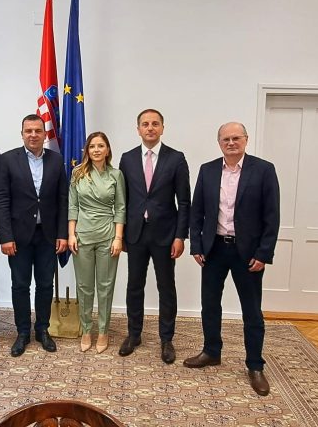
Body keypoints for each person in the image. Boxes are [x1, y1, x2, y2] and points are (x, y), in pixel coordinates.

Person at [184, 122, 280, 396]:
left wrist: (263, 253)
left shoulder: (263, 170)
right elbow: (197, 212)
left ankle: (255, 365)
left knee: (252, 311)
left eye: (236, 138)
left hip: (247, 253)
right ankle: (211, 351)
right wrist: (196, 245)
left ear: (245, 140)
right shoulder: (208, 170)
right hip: (214, 249)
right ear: (219, 143)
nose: (231, 143)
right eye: (225, 139)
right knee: (209, 305)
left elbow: (272, 216)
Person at [118, 109, 191, 363]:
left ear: (162, 128)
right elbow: (122, 200)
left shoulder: (176, 158)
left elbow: (184, 201)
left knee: (166, 287)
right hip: (135, 233)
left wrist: (180, 236)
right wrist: (121, 233)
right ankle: (133, 334)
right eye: (145, 124)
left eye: (155, 124)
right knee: (134, 286)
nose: (150, 128)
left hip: (165, 235)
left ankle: (166, 339)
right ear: (138, 129)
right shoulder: (127, 159)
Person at [0, 114, 68, 357]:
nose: (33, 135)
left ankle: (42, 330)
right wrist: (5, 236)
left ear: (45, 134)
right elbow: (1, 200)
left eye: (38, 130)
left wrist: (62, 233)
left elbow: (63, 199)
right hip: (18, 236)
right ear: (22, 134)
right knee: (20, 285)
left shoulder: (56, 160)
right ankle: (23, 332)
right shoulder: (7, 160)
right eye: (29, 131)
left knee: (45, 285)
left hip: (48, 235)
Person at [68, 132, 126, 354]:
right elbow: (73, 206)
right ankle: (86, 330)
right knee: (84, 287)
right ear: (87, 150)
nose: (96, 150)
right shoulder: (78, 173)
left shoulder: (116, 175)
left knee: (105, 286)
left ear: (107, 149)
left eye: (101, 146)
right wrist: (71, 234)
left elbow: (120, 207)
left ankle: (103, 331)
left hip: (108, 236)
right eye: (92, 146)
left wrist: (118, 238)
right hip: (82, 235)